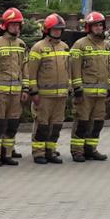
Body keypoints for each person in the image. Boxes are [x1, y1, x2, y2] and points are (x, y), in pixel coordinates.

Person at [23, 14, 73, 163]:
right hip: (44, 95)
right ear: (47, 30)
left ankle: (50, 150)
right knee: (42, 124)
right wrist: (34, 92)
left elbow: (68, 69)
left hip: (60, 95)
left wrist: (69, 88)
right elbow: (31, 73)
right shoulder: (38, 48)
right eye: (54, 29)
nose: (57, 32)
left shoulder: (64, 47)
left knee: (56, 125)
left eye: (59, 29)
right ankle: (39, 152)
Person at [69, 12, 110, 161]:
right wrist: (77, 89)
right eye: (95, 25)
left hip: (101, 94)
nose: (99, 28)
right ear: (89, 27)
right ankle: (77, 151)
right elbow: (74, 68)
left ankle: (91, 148)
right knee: (82, 122)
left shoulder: (106, 45)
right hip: (85, 93)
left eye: (101, 25)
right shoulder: (80, 44)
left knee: (97, 123)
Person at [0, 9, 27, 166]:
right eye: (13, 25)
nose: (16, 28)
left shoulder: (21, 45)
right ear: (5, 26)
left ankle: (7, 154)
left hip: (16, 93)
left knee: (12, 124)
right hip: (1, 93)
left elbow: (25, 68)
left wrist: (25, 89)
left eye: (18, 25)